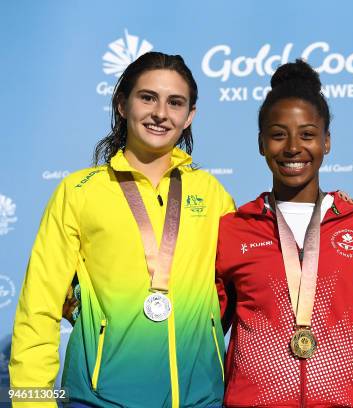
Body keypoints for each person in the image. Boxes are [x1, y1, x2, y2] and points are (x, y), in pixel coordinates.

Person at [10, 52, 233, 407]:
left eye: (175, 103)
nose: (161, 113)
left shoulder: (212, 194)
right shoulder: (78, 192)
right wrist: (29, 401)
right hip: (101, 400)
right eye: (147, 97)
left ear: (189, 115)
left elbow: (239, 289)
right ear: (122, 104)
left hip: (200, 400)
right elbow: (39, 308)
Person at [215, 60, 353, 407]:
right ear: (262, 143)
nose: (293, 147)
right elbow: (206, 325)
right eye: (279, 135)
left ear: (326, 142)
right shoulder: (232, 229)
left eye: (307, 134)